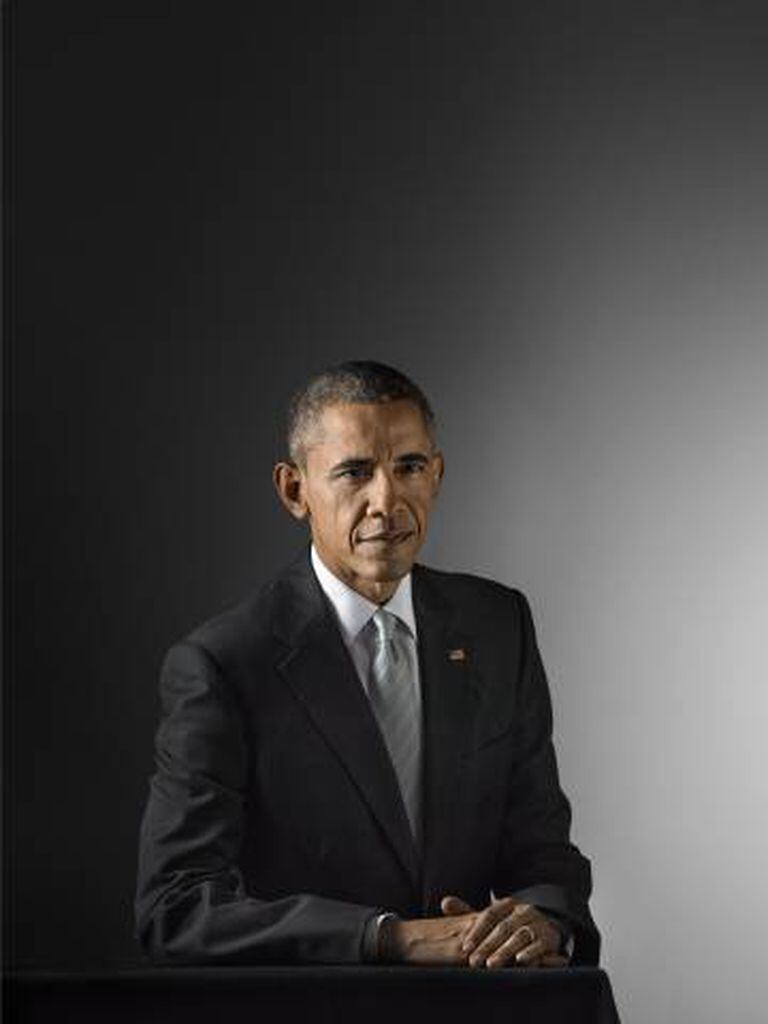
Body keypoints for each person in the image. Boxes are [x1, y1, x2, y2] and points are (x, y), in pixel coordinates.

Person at [135, 361, 600, 968]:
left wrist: (544, 921)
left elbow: (543, 852)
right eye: (355, 472)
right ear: (294, 491)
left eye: (409, 467)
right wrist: (390, 937)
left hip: (476, 1004)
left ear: (437, 476)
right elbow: (176, 906)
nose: (387, 500)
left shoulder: (498, 626)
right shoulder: (223, 665)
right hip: (316, 1007)